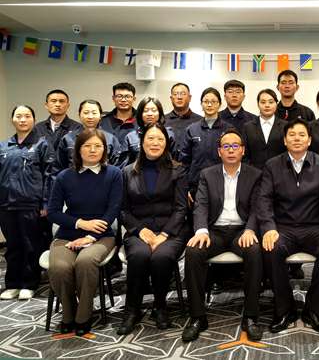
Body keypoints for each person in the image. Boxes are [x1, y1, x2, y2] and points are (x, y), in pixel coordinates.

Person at [258, 119, 319, 334]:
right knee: (270, 248)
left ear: (309, 140)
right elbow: (264, 200)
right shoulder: (272, 165)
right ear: (285, 140)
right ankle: (285, 310)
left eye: (302, 135)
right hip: (283, 228)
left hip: (314, 227)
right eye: (292, 135)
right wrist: (269, 228)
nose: (297, 138)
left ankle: (315, 310)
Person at [182, 128, 263, 342]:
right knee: (193, 252)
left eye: (235, 146)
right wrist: (201, 230)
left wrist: (250, 229)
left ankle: (251, 316)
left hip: (241, 231)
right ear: (219, 152)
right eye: (226, 146)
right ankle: (197, 317)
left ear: (243, 150)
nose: (231, 150)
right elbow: (200, 205)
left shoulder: (255, 175)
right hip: (214, 231)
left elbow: (258, 208)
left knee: (254, 251)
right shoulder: (207, 174)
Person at [47, 129, 122, 336]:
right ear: (78, 150)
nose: (93, 150)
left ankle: (83, 315)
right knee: (60, 267)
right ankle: (68, 313)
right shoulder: (64, 176)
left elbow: (114, 209)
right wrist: (81, 224)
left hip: (102, 235)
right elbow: (53, 212)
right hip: (68, 234)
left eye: (98, 146)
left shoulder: (114, 174)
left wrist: (90, 236)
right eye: (87, 146)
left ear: (105, 150)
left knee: (85, 262)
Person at [118, 123, 188, 335]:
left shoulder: (177, 170)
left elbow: (181, 208)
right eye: (150, 138)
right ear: (142, 142)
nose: (155, 143)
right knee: (139, 256)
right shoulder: (127, 172)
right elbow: (122, 210)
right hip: (139, 231)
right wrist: (140, 230)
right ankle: (132, 309)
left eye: (160, 139)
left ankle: (160, 306)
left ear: (166, 143)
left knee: (161, 257)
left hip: (171, 230)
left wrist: (164, 234)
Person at [0, 105, 55, 300]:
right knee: (12, 246)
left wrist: (46, 203)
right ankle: (12, 284)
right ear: (12, 120)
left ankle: (29, 283)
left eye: (27, 116)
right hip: (6, 205)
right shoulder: (4, 146)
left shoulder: (42, 144)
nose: (22, 120)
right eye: (18, 116)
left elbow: (50, 176)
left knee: (31, 245)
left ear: (33, 120)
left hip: (31, 204)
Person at [181, 87, 233, 198]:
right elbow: (184, 161)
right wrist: (185, 187)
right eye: (206, 101)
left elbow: (234, 158)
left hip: (223, 184)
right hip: (196, 185)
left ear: (219, 104)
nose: (209, 105)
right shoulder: (192, 129)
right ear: (201, 104)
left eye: (213, 102)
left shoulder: (229, 129)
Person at [55, 100, 123, 171]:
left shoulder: (110, 139)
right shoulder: (68, 139)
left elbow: (117, 166)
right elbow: (59, 167)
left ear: (100, 116)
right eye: (86, 113)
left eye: (94, 113)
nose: (90, 117)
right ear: (79, 115)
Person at [122, 97, 178, 165]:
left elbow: (175, 159)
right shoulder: (131, 137)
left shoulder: (169, 134)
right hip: (138, 170)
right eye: (146, 111)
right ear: (140, 113)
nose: (150, 114)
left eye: (154, 110)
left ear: (159, 113)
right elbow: (125, 164)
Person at [242, 89, 287, 170]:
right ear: (258, 104)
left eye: (271, 102)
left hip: (279, 172)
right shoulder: (248, 127)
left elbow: (288, 152)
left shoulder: (285, 126)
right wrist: (251, 170)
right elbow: (244, 153)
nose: (267, 105)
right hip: (254, 172)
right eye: (263, 102)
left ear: (276, 104)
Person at [165, 83, 201, 150]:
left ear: (190, 98)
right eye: (175, 94)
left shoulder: (200, 121)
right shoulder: (162, 120)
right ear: (171, 98)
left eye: (183, 94)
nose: (179, 97)